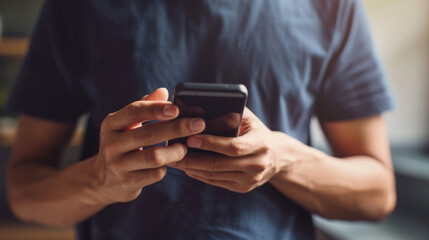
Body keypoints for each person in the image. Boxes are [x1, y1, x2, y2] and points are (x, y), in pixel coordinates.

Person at [6, 0, 396, 239]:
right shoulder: (80, 6)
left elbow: (376, 194)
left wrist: (282, 159)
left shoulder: (331, 5)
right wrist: (100, 179)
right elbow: (25, 194)